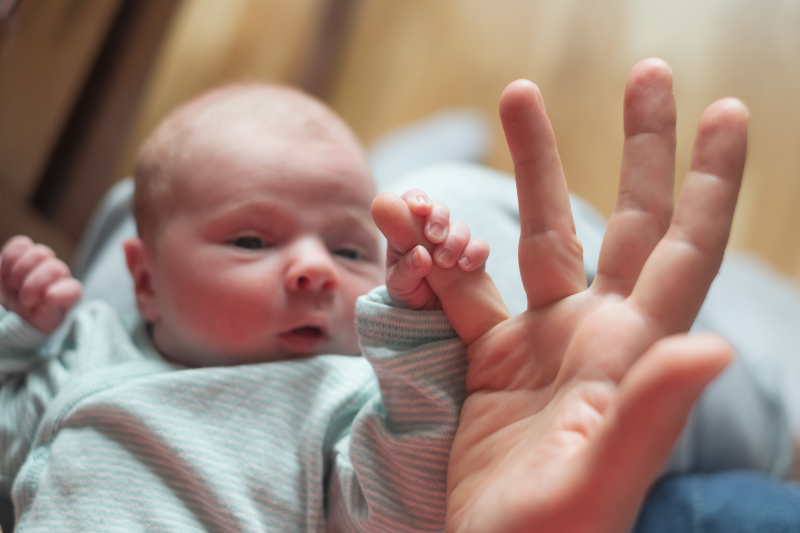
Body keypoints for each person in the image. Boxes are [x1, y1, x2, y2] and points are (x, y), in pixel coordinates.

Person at [0, 57, 793, 533]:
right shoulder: (88, 340)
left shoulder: (339, 399)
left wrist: (415, 336)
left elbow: (400, 509)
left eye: (349, 249)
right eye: (251, 240)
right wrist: (21, 333)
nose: (311, 268)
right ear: (144, 280)